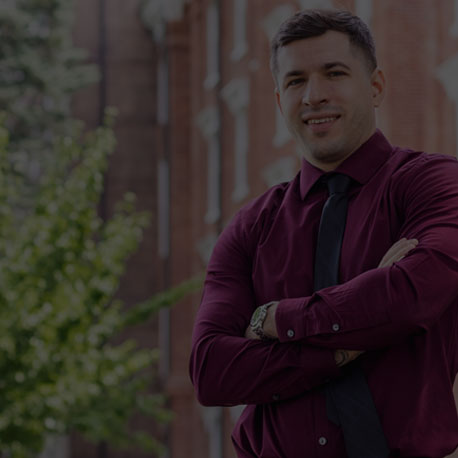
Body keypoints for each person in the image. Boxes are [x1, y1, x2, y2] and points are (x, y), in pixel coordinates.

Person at [189, 8, 458, 458]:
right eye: (296, 81)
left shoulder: (432, 185)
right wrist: (344, 346)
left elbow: (412, 296)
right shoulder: (251, 227)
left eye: (334, 73)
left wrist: (274, 319)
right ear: (280, 101)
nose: (314, 95)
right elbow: (211, 371)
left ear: (375, 87)